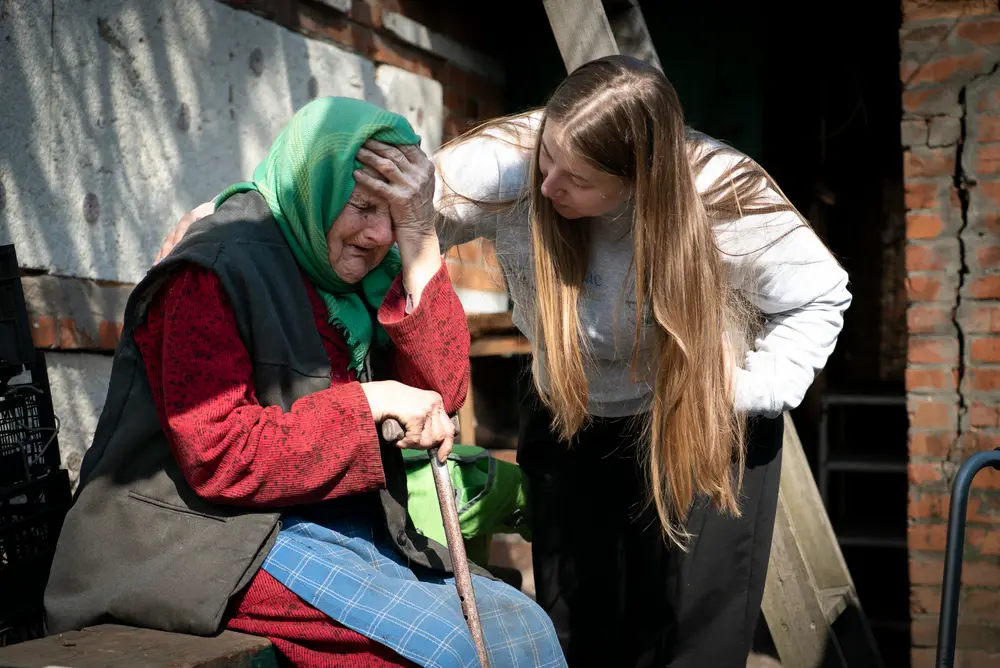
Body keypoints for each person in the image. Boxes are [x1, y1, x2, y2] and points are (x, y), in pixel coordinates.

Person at [157, 56, 852, 667]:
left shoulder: (725, 198)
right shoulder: (514, 160)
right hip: (576, 408)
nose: (545, 186)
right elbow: (369, 197)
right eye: (547, 158)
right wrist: (229, 213)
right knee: (574, 626)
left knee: (687, 635)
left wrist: (741, 391)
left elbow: (822, 297)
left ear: (640, 182)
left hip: (696, 422)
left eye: (575, 179)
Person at [45, 96, 566, 668]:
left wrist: (420, 239)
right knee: (446, 653)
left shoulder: (363, 273)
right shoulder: (209, 271)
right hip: (198, 537)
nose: (378, 234)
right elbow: (220, 457)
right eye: (363, 206)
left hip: (321, 524)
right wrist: (369, 401)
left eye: (395, 214)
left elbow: (442, 394)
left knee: (525, 630)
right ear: (316, 181)